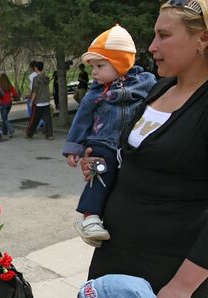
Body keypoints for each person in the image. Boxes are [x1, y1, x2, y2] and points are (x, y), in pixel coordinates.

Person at [81, 1, 208, 298]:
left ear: (203, 38)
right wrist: (102, 168)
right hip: (122, 250)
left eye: (164, 35)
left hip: (171, 266)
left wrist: (183, 286)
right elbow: (140, 157)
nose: (152, 46)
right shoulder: (164, 86)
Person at [63, 24, 156, 246]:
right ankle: (90, 216)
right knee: (100, 169)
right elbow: (81, 121)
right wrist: (74, 147)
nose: (94, 72)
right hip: (102, 142)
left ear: (121, 63)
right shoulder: (95, 94)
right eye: (93, 66)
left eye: (100, 65)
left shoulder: (146, 82)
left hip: (128, 145)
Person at [25, 61, 53, 139]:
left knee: (35, 118)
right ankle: (49, 134)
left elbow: (34, 91)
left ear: (36, 68)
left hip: (39, 101)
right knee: (48, 119)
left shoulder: (36, 79)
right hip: (46, 100)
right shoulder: (46, 77)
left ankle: (30, 133)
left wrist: (31, 101)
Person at [0, 73, 18, 138]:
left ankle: (11, 129)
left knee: (4, 118)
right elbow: (15, 93)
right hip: (9, 103)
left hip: (3, 103)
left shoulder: (0, 86)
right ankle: (5, 131)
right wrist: (13, 97)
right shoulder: (10, 86)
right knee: (5, 117)